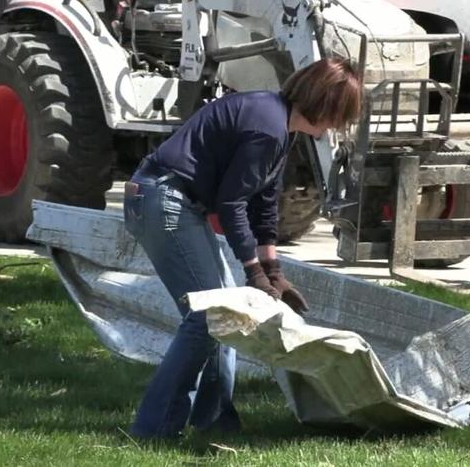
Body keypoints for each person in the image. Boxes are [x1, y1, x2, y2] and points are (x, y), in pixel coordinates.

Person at [124, 57, 363, 439]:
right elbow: (232, 203)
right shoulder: (268, 127)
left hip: (175, 202)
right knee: (207, 317)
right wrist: (252, 271)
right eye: (341, 114)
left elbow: (264, 201)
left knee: (225, 317)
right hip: (163, 199)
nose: (338, 125)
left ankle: (215, 423)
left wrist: (274, 271)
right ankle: (154, 430)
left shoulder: (281, 126)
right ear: (326, 104)